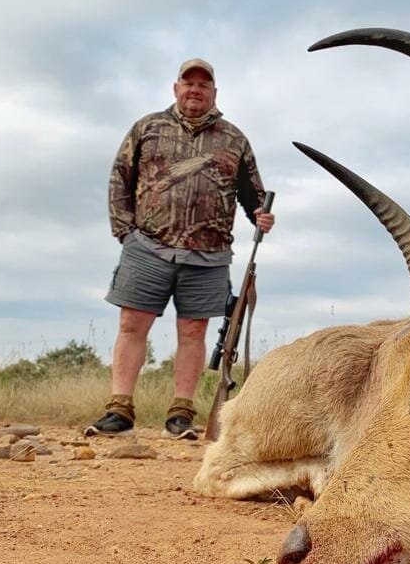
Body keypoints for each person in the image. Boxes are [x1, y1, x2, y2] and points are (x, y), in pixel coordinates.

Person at [86, 58, 275, 440]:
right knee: (132, 324)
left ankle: (180, 415)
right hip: (147, 247)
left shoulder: (234, 139)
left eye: (203, 85)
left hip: (208, 255)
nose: (195, 90)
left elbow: (253, 194)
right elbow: (119, 178)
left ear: (214, 93)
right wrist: (125, 232)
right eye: (188, 83)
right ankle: (119, 409)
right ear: (176, 89)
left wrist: (261, 216)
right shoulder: (147, 127)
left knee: (193, 330)